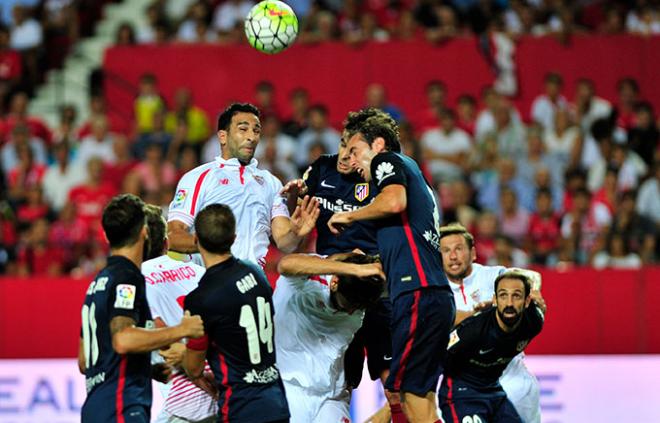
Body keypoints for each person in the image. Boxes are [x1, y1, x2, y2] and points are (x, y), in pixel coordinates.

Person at [328, 114, 455, 423]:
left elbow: (394, 201)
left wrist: (351, 215)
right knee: (418, 395)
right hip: (433, 295)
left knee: (402, 392)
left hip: (417, 293)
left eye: (356, 150)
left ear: (379, 144)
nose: (350, 158)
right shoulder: (416, 177)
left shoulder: (389, 161)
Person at [293, 108, 397, 421]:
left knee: (393, 385)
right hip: (333, 291)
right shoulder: (321, 169)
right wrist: (292, 200)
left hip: (374, 287)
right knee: (340, 383)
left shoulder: (384, 180)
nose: (344, 156)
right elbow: (298, 228)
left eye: (353, 150)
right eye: (342, 145)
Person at [78, 194, 205, 423]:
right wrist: (183, 330)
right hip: (122, 407)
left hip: (95, 408)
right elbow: (123, 339)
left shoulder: (97, 283)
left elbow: (85, 361)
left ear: (106, 236)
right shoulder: (129, 277)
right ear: (144, 232)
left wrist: (144, 369)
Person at [167, 102, 318, 267]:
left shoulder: (271, 183)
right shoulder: (196, 178)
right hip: (210, 281)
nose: (251, 137)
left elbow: (285, 243)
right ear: (223, 136)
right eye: (243, 129)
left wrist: (296, 232)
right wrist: (216, 246)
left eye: (256, 131)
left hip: (254, 281)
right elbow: (175, 238)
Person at [182, 204, 290, 423]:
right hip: (276, 403)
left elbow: (193, 368)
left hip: (241, 407)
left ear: (195, 240)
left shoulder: (201, 299)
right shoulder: (256, 272)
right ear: (233, 238)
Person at [439, 223, 542, 423]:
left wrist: (534, 291)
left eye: (459, 249)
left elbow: (532, 277)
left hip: (512, 378)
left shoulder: (495, 274)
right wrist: (473, 315)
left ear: (473, 253)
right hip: (467, 381)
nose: (453, 256)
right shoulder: (436, 291)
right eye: (446, 250)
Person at [274, 253, 385, 423]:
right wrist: (355, 269)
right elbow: (286, 264)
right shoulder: (306, 281)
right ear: (334, 283)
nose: (351, 312)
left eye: (358, 307)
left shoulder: (358, 297)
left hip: (331, 396)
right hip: (290, 388)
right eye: (349, 304)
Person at [141, 205, 217, 423]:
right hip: (223, 387)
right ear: (166, 243)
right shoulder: (201, 272)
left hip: (190, 397)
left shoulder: (133, 280)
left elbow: (160, 334)